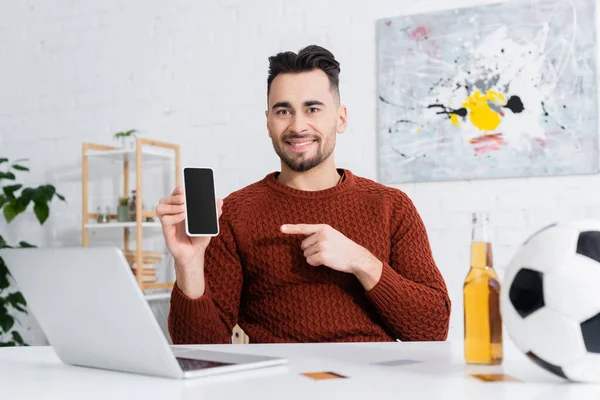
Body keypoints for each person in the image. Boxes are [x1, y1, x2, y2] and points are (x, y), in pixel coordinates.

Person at [157, 45, 451, 344]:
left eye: (313, 109)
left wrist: (362, 261)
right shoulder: (235, 213)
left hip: (373, 383)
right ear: (268, 122)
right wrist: (188, 265)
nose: (298, 126)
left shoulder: (391, 206)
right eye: (283, 111)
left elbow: (433, 328)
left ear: (341, 119)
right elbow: (201, 349)